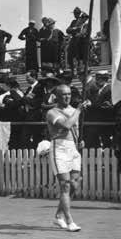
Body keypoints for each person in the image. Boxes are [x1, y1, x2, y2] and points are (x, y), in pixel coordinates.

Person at [46, 85, 85, 232]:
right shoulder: (52, 112)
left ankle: (58, 215)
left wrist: (79, 140)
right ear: (57, 96)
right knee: (65, 185)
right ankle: (70, 221)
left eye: (69, 94)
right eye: (64, 95)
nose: (67, 97)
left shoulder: (72, 110)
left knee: (74, 185)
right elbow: (67, 125)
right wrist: (79, 110)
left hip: (73, 148)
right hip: (59, 148)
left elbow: (75, 129)